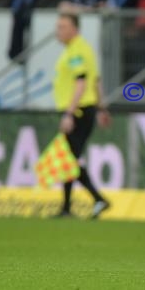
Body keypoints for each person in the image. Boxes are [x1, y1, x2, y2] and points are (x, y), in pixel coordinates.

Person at [53, 13, 112, 219]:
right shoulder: (84, 48)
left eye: (62, 26)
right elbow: (95, 81)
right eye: (58, 26)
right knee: (71, 160)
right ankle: (67, 207)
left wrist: (69, 113)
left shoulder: (76, 50)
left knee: (70, 160)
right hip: (86, 109)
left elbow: (81, 82)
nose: (58, 30)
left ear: (74, 29)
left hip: (77, 111)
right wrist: (102, 108)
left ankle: (97, 199)